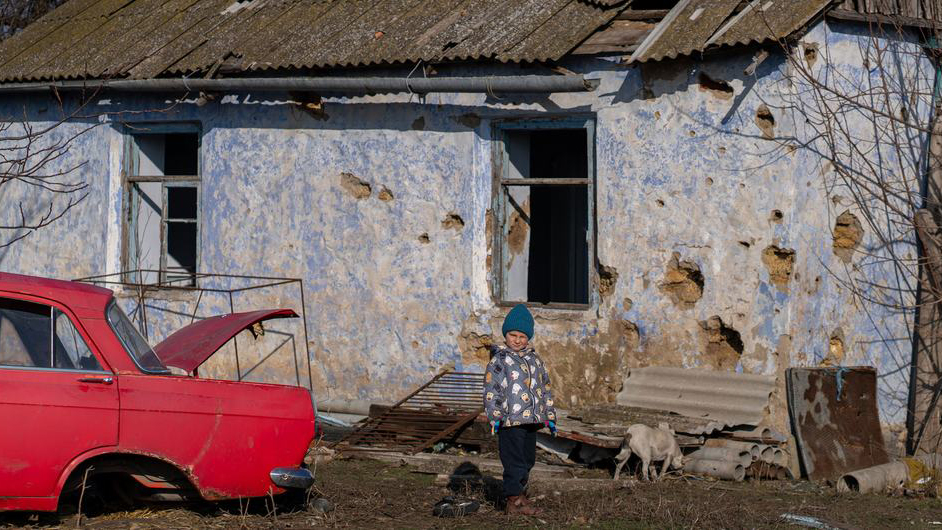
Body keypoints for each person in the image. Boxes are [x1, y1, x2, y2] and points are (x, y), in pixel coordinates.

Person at [483, 304, 557, 516]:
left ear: (529, 337)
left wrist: (549, 416)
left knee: (527, 459)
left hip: (531, 421)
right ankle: (513, 501)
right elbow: (492, 390)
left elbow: (545, 389)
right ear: (505, 335)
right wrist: (495, 416)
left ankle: (520, 495)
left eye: (522, 336)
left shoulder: (535, 360)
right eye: (512, 334)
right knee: (514, 460)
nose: (517, 339)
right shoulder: (500, 360)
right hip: (510, 421)